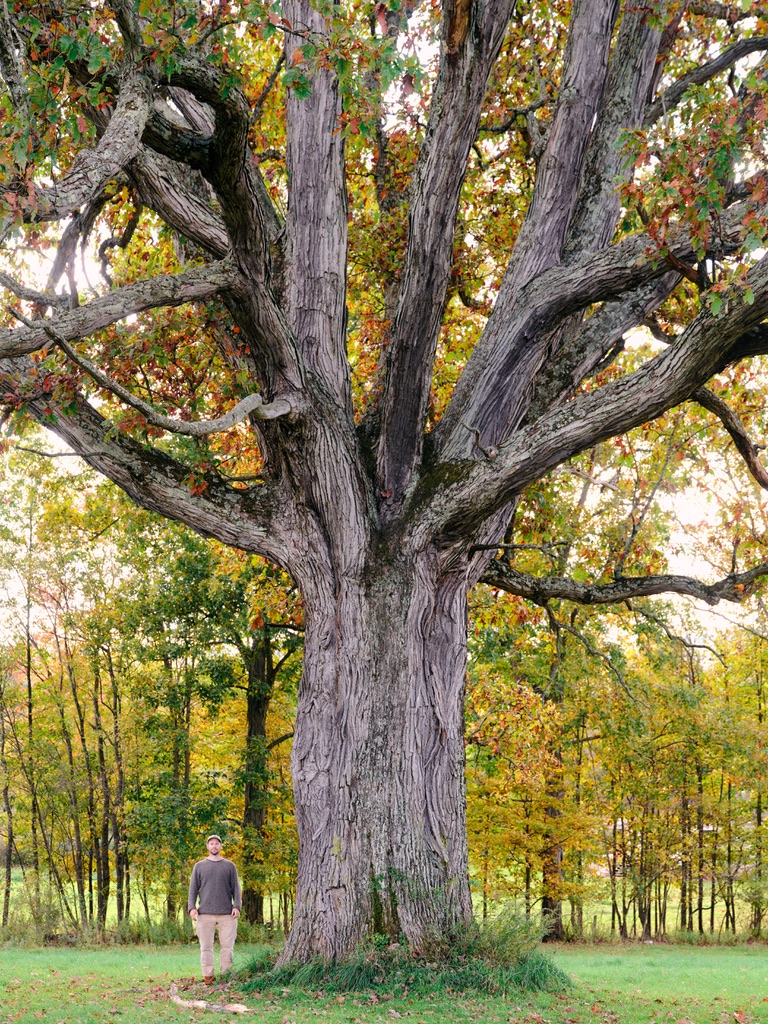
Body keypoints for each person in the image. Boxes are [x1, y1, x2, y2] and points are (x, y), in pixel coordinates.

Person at [187, 834, 241, 985]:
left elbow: (236, 888)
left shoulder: (229, 866)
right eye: (211, 844)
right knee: (206, 947)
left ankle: (226, 976)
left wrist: (237, 906)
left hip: (227, 914)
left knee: (227, 947)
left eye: (217, 843)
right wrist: (192, 908)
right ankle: (208, 976)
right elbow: (193, 889)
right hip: (205, 914)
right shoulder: (199, 866)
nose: (214, 846)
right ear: (207, 846)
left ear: (221, 846)